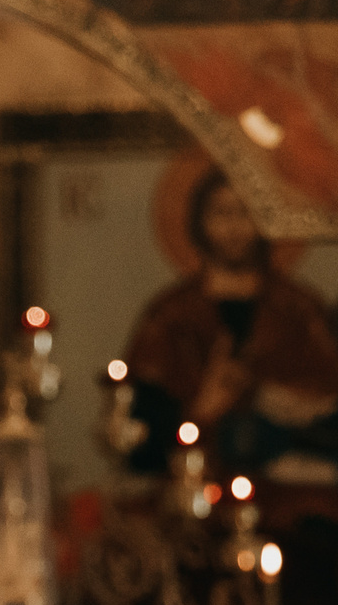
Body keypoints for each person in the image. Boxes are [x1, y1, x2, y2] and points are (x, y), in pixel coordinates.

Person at [121, 166, 338, 484]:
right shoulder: (171, 314)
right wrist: (204, 406)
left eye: (245, 212)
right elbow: (140, 432)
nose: (234, 226)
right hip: (192, 483)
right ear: (199, 221)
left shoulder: (299, 308)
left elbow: (326, 393)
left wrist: (274, 396)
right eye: (221, 212)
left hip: (290, 488)